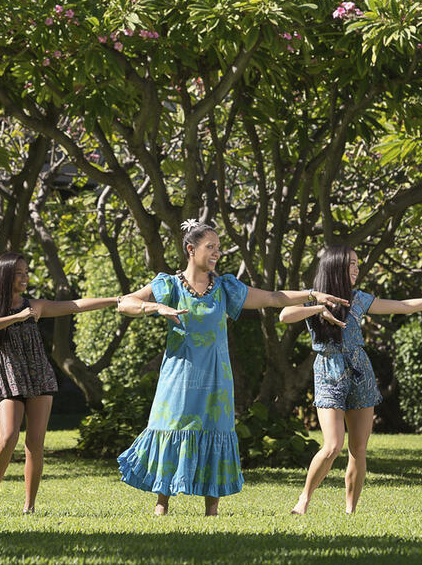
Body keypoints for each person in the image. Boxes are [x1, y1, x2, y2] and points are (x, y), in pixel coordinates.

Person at [116, 221, 347, 516]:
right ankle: (162, 504)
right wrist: (155, 307)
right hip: (180, 376)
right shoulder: (169, 285)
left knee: (216, 431)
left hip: (216, 377)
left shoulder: (225, 287)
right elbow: (125, 303)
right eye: (210, 247)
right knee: (172, 428)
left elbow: (273, 297)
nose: (217, 253)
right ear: (191, 249)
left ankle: (211, 510)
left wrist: (312, 295)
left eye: (219, 247)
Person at [280, 244, 422, 514]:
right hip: (328, 371)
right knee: (332, 445)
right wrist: (318, 309)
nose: (356, 269)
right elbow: (284, 315)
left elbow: (402, 306)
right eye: (351, 264)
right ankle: (304, 499)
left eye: (357, 264)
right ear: (335, 266)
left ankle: (350, 510)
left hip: (360, 372)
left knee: (358, 448)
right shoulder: (313, 297)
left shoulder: (358, 299)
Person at [0, 251, 117, 514]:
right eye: (19, 273)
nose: (25, 277)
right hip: (8, 379)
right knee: (8, 436)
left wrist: (116, 300)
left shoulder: (34, 306)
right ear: (4, 275)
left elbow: (75, 305)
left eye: (26, 272)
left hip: (37, 375)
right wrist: (16, 318)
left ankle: (29, 506)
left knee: (35, 442)